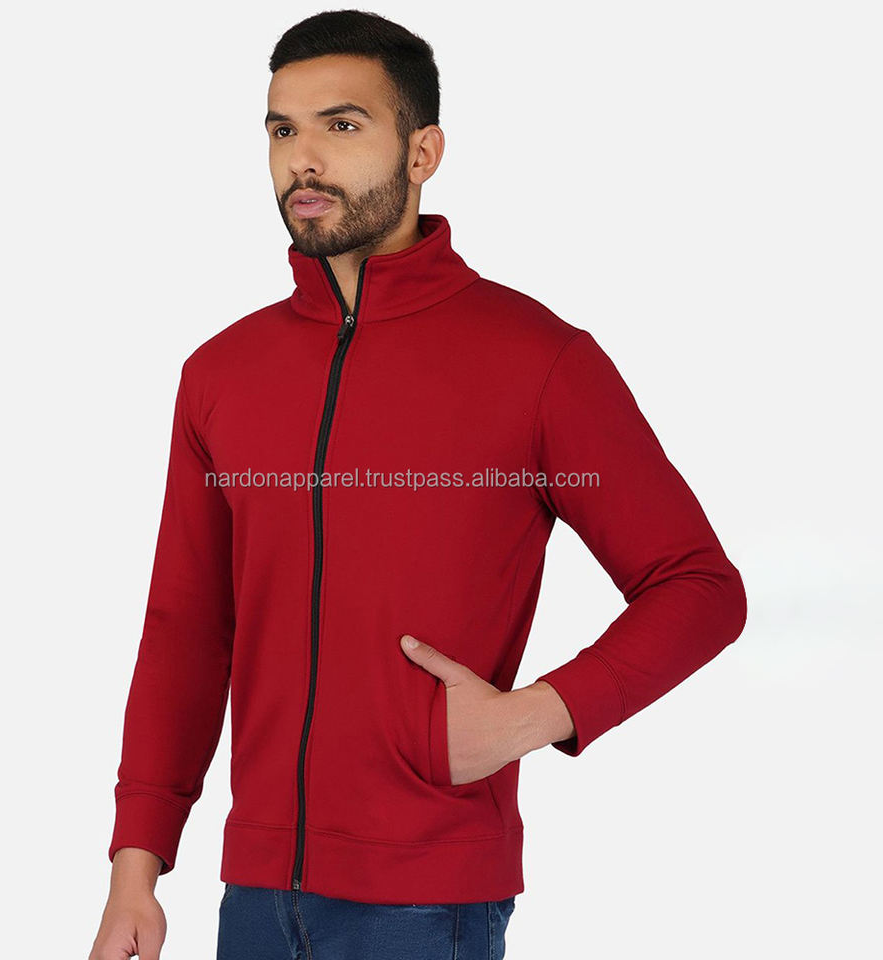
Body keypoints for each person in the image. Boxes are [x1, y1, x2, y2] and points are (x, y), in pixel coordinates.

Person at [89, 10, 747, 960]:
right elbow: (187, 630)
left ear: (423, 151)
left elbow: (698, 586)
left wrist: (532, 718)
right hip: (255, 896)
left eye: (342, 124)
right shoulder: (221, 373)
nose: (303, 159)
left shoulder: (538, 361)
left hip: (428, 902)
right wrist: (135, 869)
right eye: (282, 129)